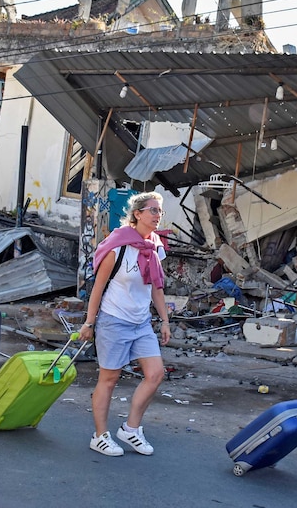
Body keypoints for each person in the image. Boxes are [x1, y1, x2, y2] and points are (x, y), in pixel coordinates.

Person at [79, 191, 171, 457]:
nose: (157, 216)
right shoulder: (118, 246)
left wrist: (164, 320)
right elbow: (98, 287)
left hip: (141, 323)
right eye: (153, 210)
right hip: (114, 320)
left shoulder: (155, 247)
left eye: (160, 211)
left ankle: (131, 429)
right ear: (138, 214)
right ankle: (99, 436)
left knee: (155, 374)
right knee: (109, 379)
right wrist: (89, 322)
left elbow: (156, 288)